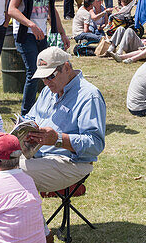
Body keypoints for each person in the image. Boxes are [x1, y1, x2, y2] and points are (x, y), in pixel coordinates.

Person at [14, 47, 106, 194]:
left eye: (50, 76)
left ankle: (26, 216)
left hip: (70, 163)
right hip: (37, 157)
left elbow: (95, 145)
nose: (46, 82)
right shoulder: (48, 91)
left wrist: (58, 139)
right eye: (43, 78)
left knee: (7, 173)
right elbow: (31, 118)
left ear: (67, 67)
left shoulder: (89, 96)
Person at [8, 0, 69, 116]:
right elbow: (12, 9)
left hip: (42, 33)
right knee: (34, 72)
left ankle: (48, 108)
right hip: (25, 33)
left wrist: (63, 33)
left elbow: (51, 9)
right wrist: (31, 25)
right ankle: (26, 114)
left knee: (50, 70)